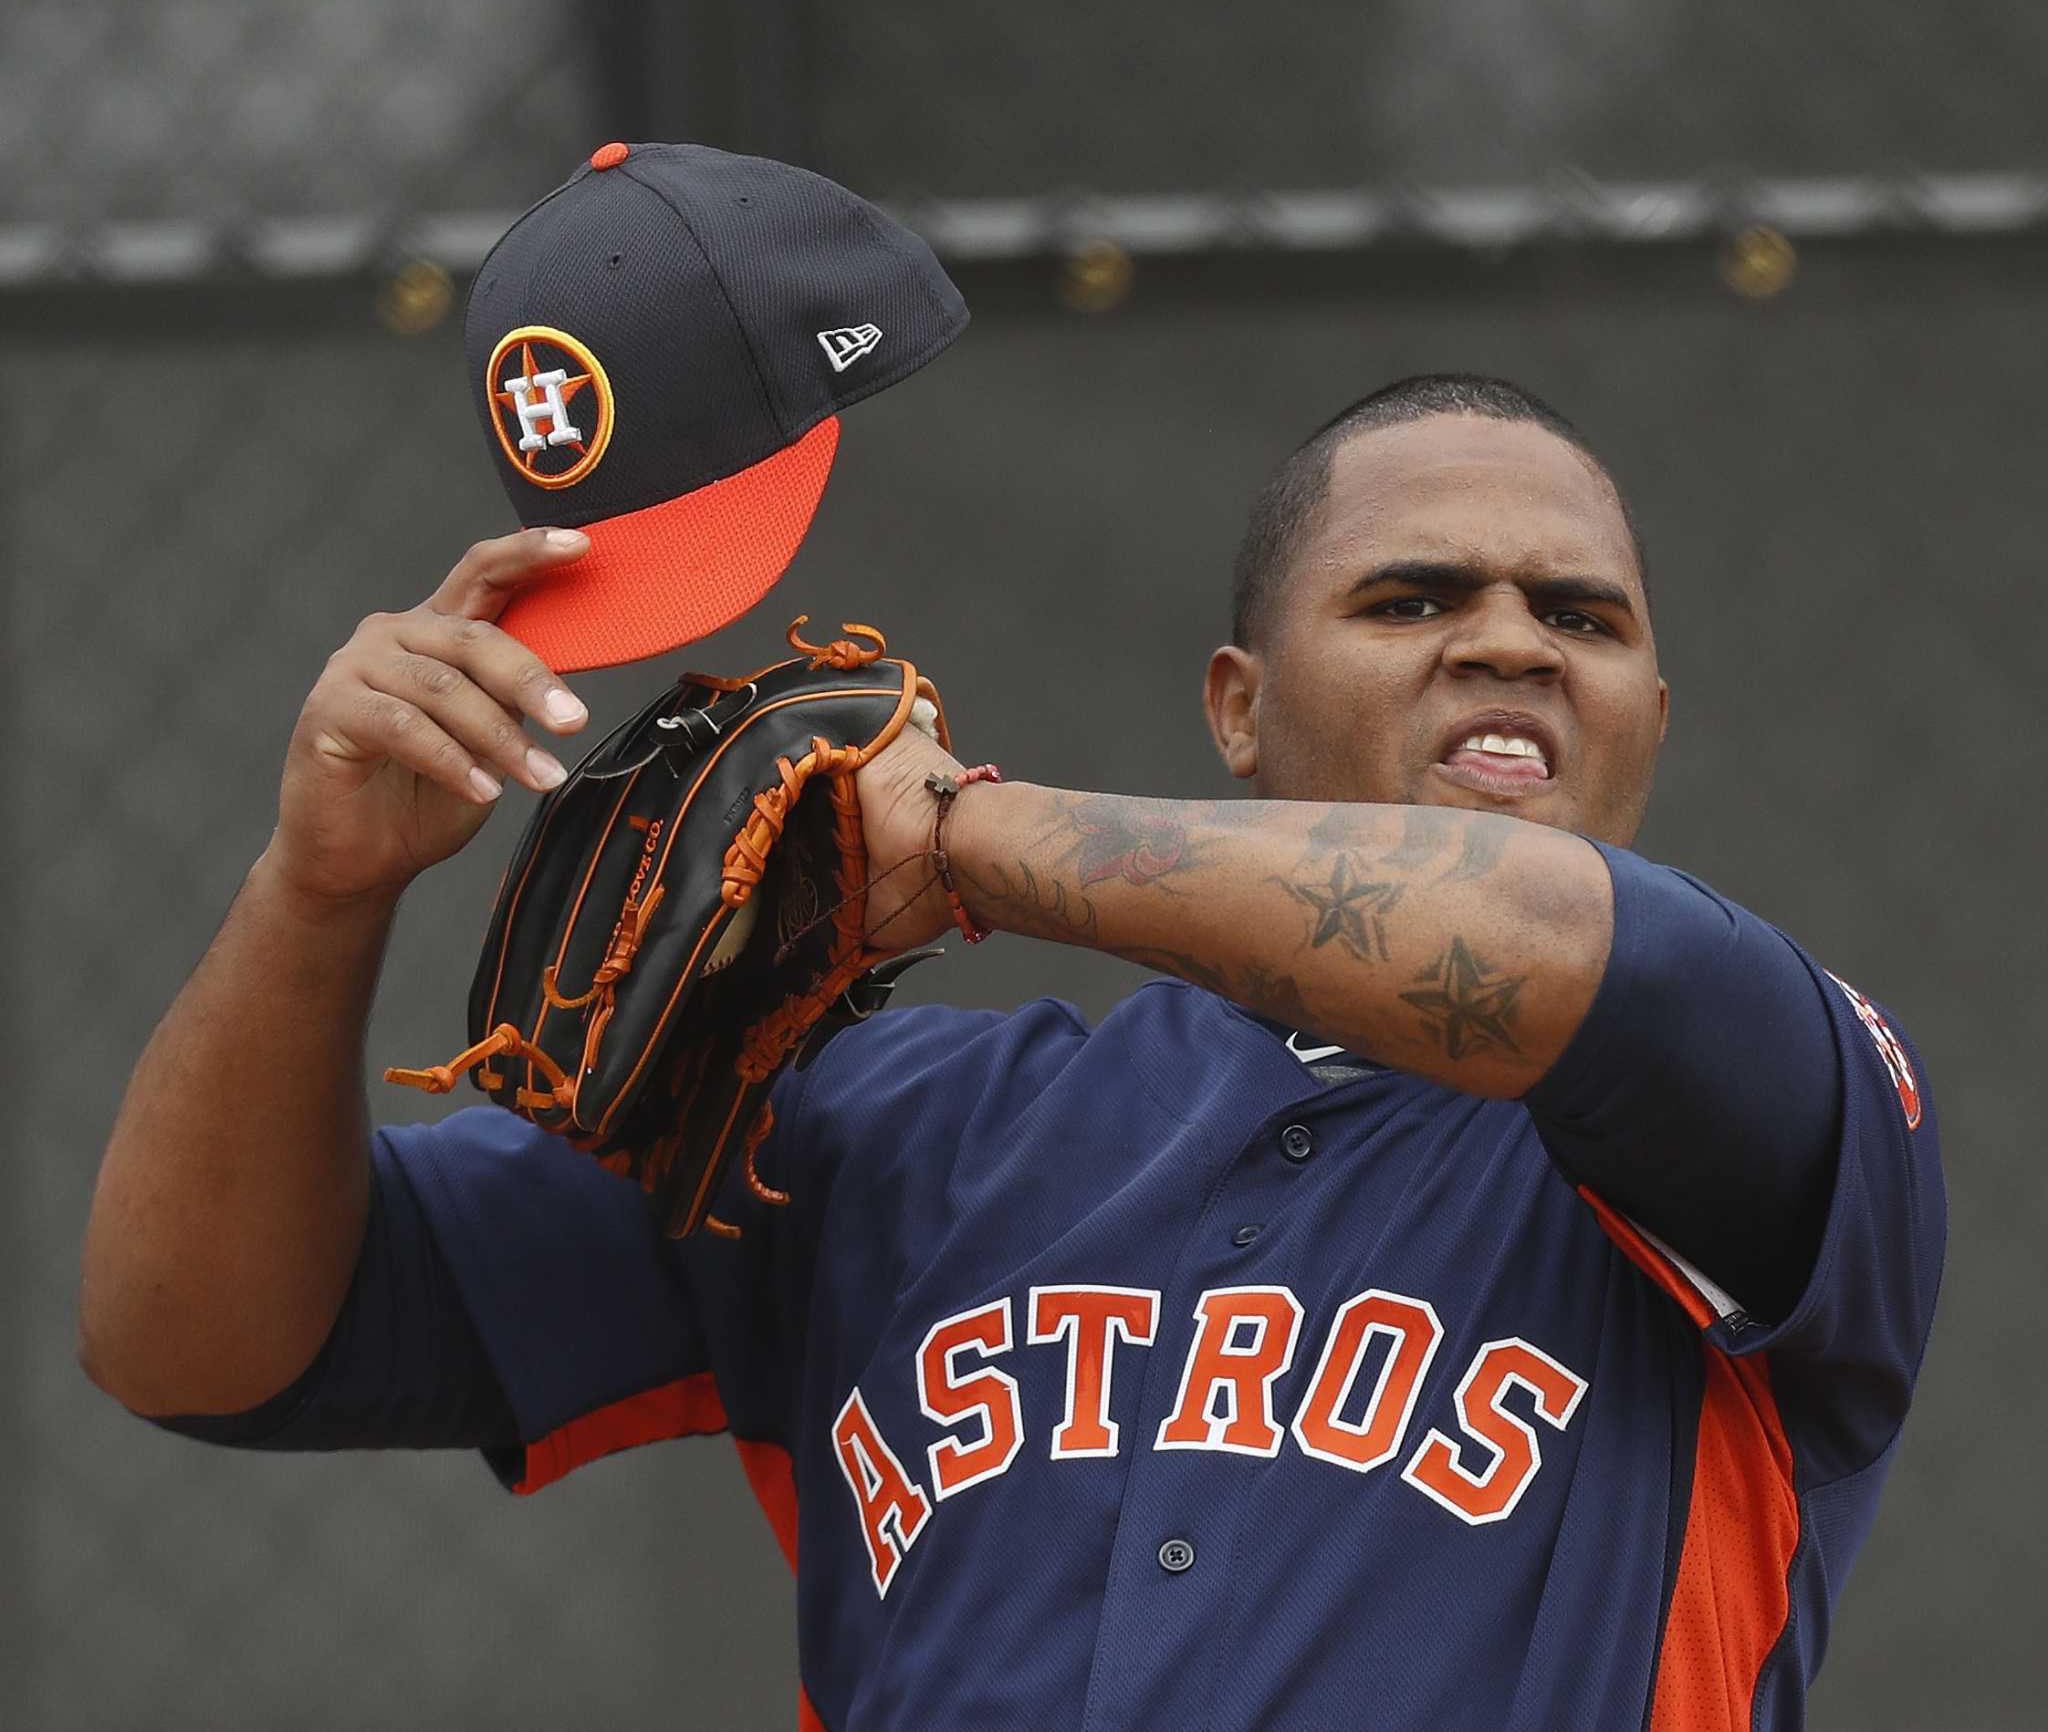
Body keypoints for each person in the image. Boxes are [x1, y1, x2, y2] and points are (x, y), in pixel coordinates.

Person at [80, 373, 1943, 1730]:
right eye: (1413, 599)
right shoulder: (892, 1131)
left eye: (1581, 618)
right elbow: (200, 1336)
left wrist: (955, 833)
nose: (1511, 646)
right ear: (1239, 706)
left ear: (1651, 715)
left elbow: (1558, 949)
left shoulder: (1775, 1114)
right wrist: (318, 897)